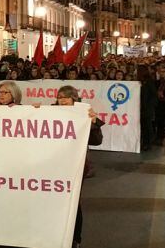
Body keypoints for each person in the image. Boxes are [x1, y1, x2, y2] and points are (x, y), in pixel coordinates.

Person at [52, 85, 103, 248]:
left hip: (75, 166)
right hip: (54, 165)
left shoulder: (84, 114)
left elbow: (96, 140)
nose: (63, 100)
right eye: (60, 97)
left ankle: (75, 238)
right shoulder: (50, 112)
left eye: (67, 97)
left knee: (73, 202)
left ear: (75, 99)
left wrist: (93, 122)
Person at [137, 66, 158, 151]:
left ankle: (148, 143)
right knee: (143, 126)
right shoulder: (140, 82)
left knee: (147, 126)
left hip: (147, 108)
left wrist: (149, 105)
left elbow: (153, 95)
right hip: (141, 108)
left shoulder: (149, 82)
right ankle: (144, 142)